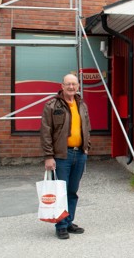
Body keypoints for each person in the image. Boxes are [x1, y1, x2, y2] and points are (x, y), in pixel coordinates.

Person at [40, 74, 91, 239]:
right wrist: (48, 156)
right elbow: (45, 132)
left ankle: (69, 222)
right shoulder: (52, 105)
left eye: (74, 84)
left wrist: (86, 147)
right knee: (60, 192)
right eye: (68, 84)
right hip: (62, 155)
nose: (71, 87)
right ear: (62, 86)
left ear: (78, 86)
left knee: (72, 191)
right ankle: (60, 225)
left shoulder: (81, 104)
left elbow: (87, 127)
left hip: (79, 154)